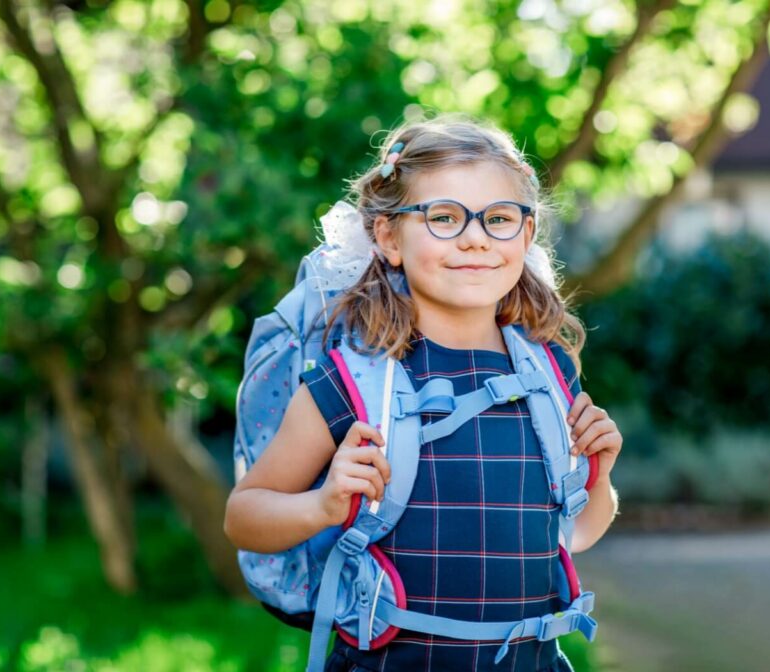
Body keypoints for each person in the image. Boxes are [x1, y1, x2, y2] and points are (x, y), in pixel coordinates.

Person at [224, 113, 622, 672]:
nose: (476, 238)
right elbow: (243, 517)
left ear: (526, 235)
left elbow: (575, 532)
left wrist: (599, 478)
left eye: (499, 218)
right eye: (444, 218)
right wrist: (322, 504)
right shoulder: (354, 382)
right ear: (388, 236)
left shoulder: (549, 374)